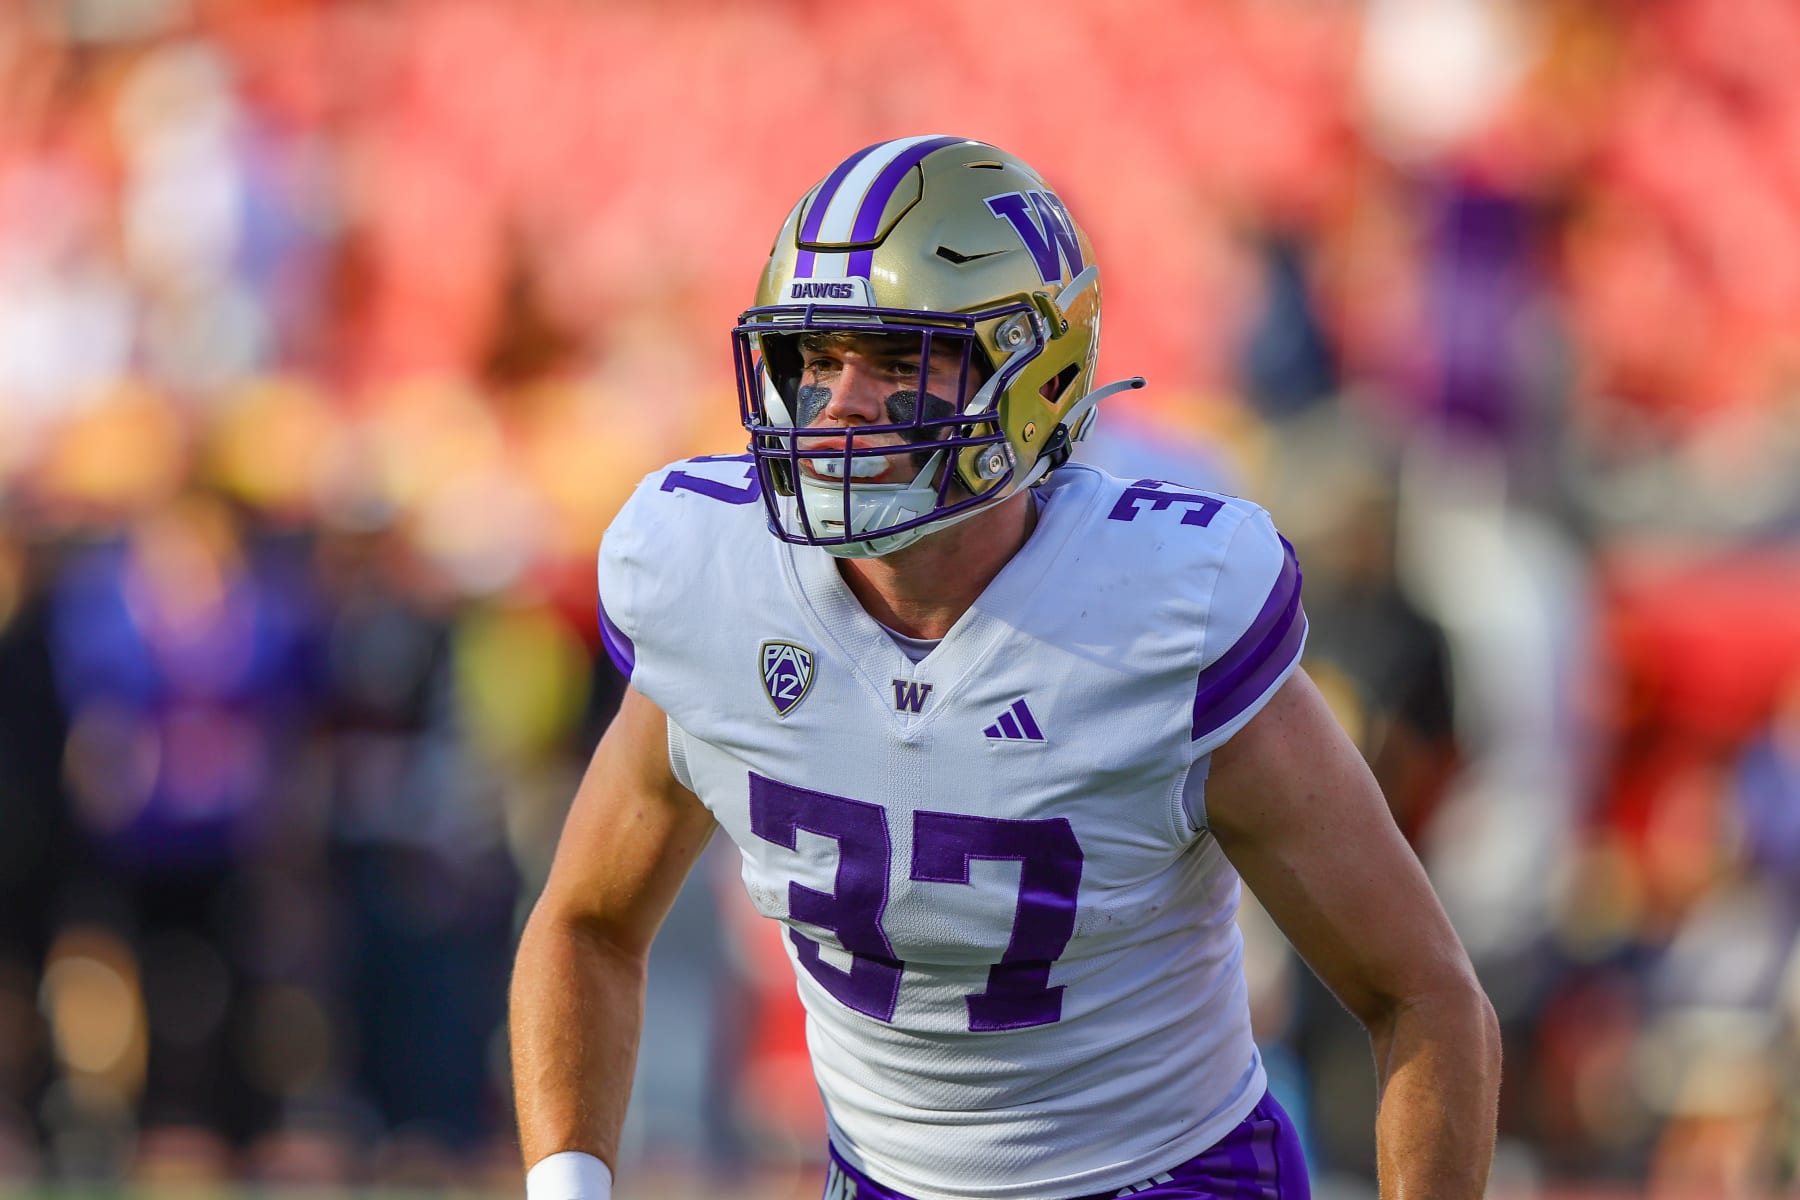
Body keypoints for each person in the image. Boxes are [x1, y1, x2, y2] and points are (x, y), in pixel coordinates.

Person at [510, 135, 1501, 1200]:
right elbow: (589, 922)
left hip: (1166, 1177)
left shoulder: (1156, 616)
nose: (840, 405)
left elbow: (1424, 998)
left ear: (1035, 380)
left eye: (898, 364)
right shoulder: (713, 584)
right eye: (818, 359)